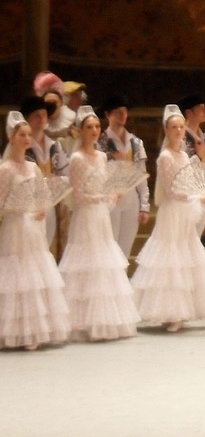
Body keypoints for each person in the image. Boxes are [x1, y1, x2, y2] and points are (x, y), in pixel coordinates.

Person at [131, 105, 205, 333]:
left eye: (181, 127)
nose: (179, 131)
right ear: (166, 130)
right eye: (174, 127)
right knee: (170, 257)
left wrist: (200, 196)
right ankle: (169, 312)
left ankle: (182, 310)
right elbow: (172, 190)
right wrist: (198, 196)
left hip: (185, 212)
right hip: (173, 211)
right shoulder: (165, 157)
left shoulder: (184, 155)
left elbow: (190, 182)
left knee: (186, 255)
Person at [59, 105, 140, 342]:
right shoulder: (76, 158)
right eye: (89, 127)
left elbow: (104, 186)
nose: (94, 131)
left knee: (104, 261)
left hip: (102, 216)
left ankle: (104, 321)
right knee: (87, 262)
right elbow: (78, 195)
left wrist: (112, 198)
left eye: (96, 127)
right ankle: (82, 322)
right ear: (80, 131)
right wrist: (102, 198)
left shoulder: (102, 156)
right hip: (86, 217)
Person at [0, 111, 71, 350]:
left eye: (29, 134)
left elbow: (42, 196)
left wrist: (41, 209)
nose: (27, 138)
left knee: (35, 271)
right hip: (16, 227)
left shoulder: (33, 168)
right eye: (22, 134)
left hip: (34, 228)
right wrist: (18, 210)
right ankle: (15, 330)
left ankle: (35, 329)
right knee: (16, 273)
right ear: (12, 138)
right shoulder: (5, 169)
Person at [96, 96, 150, 261]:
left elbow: (141, 175)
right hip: (109, 197)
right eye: (118, 112)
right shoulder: (100, 142)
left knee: (125, 246)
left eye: (124, 112)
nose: (122, 115)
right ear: (108, 115)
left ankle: (123, 283)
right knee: (108, 245)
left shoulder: (136, 142)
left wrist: (144, 205)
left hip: (131, 196)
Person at [21, 96, 68, 249]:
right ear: (28, 119)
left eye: (44, 114)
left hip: (49, 203)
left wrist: (56, 181)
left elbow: (66, 175)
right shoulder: (21, 147)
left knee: (47, 247)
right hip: (28, 207)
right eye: (36, 115)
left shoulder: (55, 146)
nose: (41, 118)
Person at [178, 93, 205, 233]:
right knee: (186, 234)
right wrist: (200, 158)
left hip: (203, 190)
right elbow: (179, 167)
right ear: (189, 112)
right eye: (201, 109)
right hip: (187, 193)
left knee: (198, 234)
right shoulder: (181, 137)